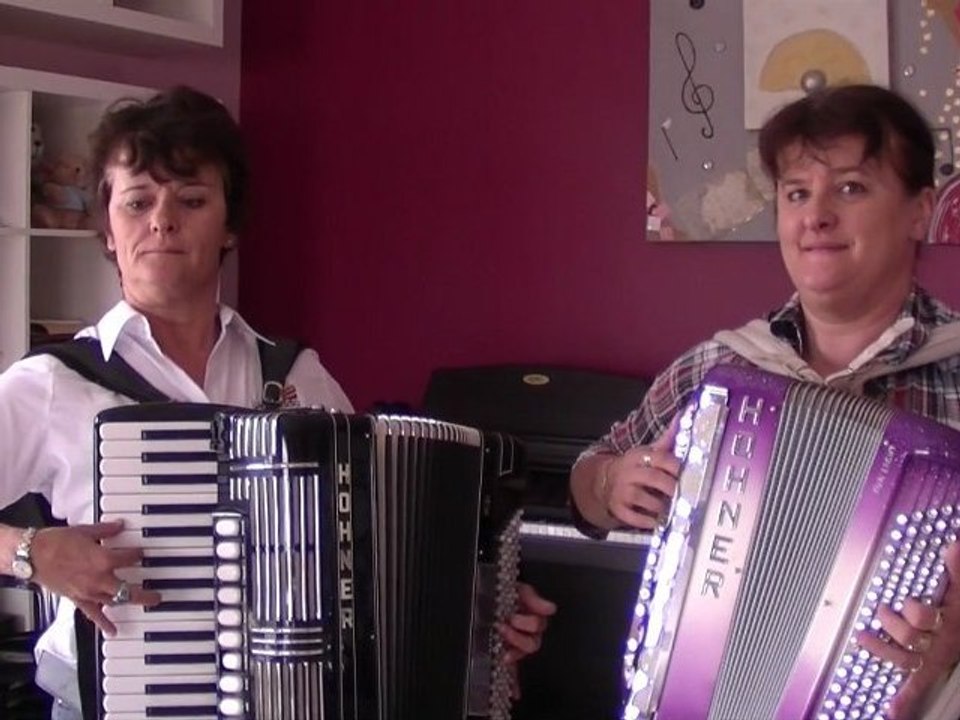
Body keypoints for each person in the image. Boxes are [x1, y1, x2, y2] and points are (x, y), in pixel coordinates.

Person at [0, 86, 553, 720]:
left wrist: (481, 609)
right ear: (108, 229)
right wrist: (29, 552)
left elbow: (371, 545)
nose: (162, 219)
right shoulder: (51, 383)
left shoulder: (293, 376)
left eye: (191, 199)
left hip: (287, 702)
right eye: (137, 201)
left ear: (230, 224)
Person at [570, 83, 960, 720]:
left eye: (852, 188)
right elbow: (588, 484)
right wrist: (611, 480)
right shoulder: (721, 367)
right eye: (797, 193)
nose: (816, 217)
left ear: (920, 211)